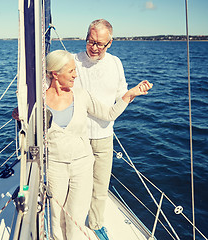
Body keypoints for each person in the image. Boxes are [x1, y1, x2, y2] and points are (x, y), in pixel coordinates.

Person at [13, 49, 152, 239]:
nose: (75, 75)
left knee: (75, 216)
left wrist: (130, 94)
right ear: (55, 73)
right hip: (55, 167)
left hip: (83, 165)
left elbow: (109, 114)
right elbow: (28, 129)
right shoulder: (38, 103)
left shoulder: (81, 95)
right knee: (56, 215)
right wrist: (19, 114)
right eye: (71, 71)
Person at [73, 19, 133, 239]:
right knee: (75, 186)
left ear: (110, 43)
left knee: (100, 185)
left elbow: (121, 94)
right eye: (90, 41)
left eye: (100, 44)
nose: (94, 47)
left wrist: (131, 96)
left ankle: (96, 223)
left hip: (104, 137)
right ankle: (71, 223)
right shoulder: (73, 61)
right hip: (77, 136)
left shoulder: (115, 63)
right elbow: (50, 87)